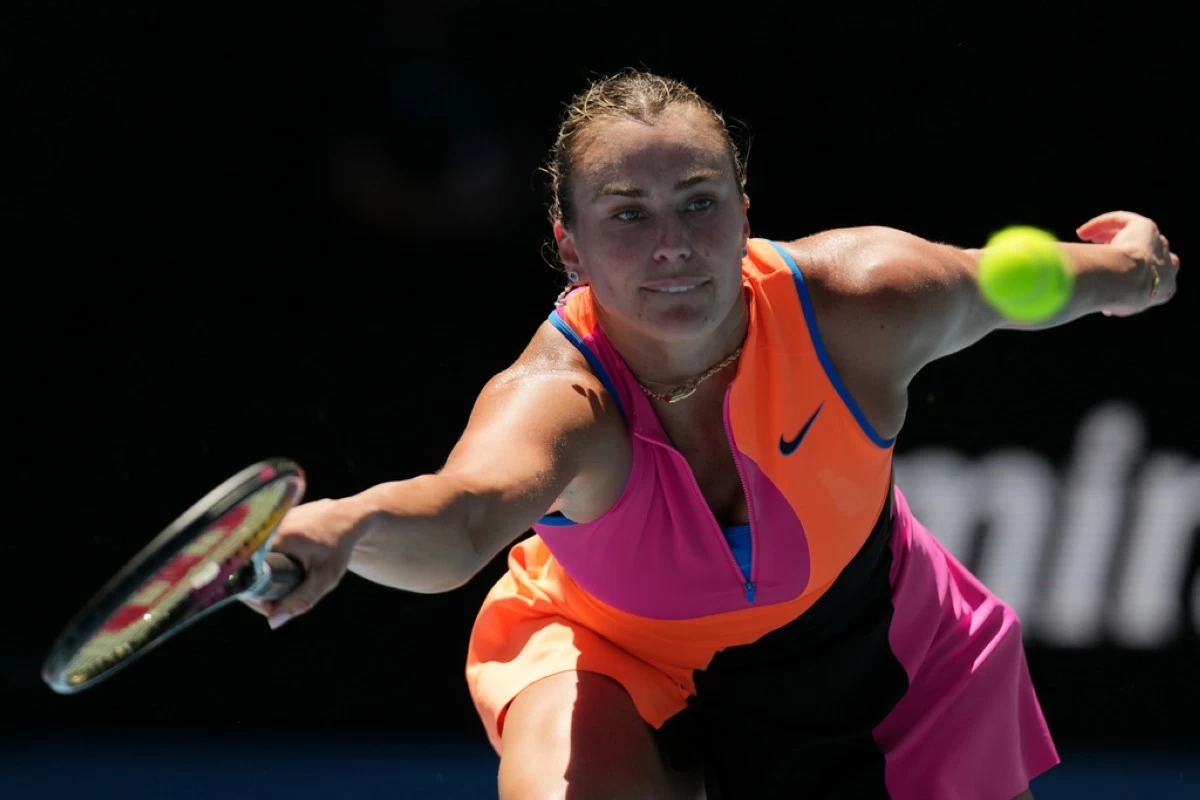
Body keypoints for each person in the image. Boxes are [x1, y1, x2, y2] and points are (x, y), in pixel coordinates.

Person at [242, 69, 1179, 799]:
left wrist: (1130, 269)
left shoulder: (862, 303)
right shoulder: (564, 398)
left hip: (875, 644)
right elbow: (465, 514)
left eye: (699, 200)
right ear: (568, 243)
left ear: (742, 204)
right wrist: (349, 523)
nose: (673, 247)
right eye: (626, 215)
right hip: (614, 659)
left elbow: (1010, 282)